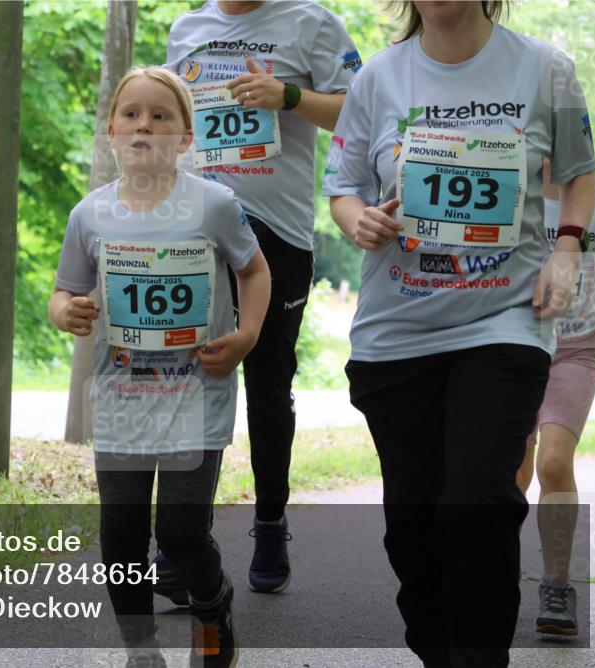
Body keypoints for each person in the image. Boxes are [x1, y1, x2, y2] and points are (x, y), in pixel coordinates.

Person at [322, 1, 595, 665]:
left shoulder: (544, 69)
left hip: (504, 321)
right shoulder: (377, 79)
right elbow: (343, 187)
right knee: (413, 528)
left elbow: (579, 177)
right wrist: (357, 218)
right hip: (398, 333)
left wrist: (565, 250)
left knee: (476, 500)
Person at [49, 66, 269, 668]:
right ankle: (140, 652)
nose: (144, 124)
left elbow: (253, 271)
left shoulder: (215, 205)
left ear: (185, 136)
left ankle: (211, 603)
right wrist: (67, 310)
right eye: (131, 114)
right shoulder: (89, 215)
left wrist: (246, 334)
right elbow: (63, 290)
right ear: (112, 132)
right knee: (120, 538)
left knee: (178, 533)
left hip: (194, 396)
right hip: (121, 399)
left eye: (160, 115)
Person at [163, 0, 361, 594]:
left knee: (268, 386)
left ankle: (270, 522)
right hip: (197, 229)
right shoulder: (187, 28)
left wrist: (289, 97)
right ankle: (181, 542)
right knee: (188, 379)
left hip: (279, 234)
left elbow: (363, 112)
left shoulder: (312, 22)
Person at [516, 160, 595, 637]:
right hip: (513, 345)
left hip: (575, 351)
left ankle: (556, 584)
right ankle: (490, 575)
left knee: (554, 462)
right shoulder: (512, 194)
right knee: (513, 466)